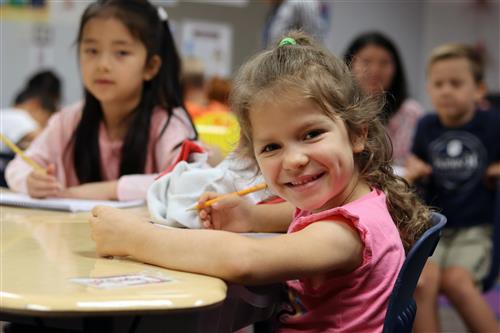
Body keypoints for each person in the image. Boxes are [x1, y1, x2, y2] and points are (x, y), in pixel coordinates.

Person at [90, 31, 431, 332]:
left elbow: (244, 260)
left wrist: (131, 238)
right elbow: (295, 216)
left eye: (311, 134)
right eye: (271, 147)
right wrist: (251, 217)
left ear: (357, 134)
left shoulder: (345, 234)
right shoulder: (352, 202)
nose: (294, 160)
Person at [5, 0, 197, 201]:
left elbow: (184, 181)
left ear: (151, 67)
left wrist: (103, 191)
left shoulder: (168, 122)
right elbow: (19, 166)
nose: (103, 65)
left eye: (121, 52)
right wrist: (31, 180)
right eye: (92, 51)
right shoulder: (69, 120)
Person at [407, 43, 500, 333]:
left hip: (475, 231)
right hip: (436, 229)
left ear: (479, 90)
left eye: (456, 83)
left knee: (456, 281)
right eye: (438, 84)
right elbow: (415, 159)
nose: (446, 90)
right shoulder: (426, 125)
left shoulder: (493, 123)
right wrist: (415, 167)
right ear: (429, 89)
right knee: (423, 282)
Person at [344, 32, 425, 170]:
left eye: (384, 63)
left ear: (396, 69)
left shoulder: (412, 112)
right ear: (349, 65)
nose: (375, 70)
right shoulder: (337, 107)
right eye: (366, 61)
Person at [0, 70, 62, 153]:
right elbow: (48, 140)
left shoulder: (7, 117)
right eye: (47, 119)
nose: (45, 125)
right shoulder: (18, 116)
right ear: (35, 105)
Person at [262, 0, 327, 49]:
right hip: (276, 57)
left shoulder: (302, 2)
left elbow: (315, 37)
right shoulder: (278, 6)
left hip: (294, 59)